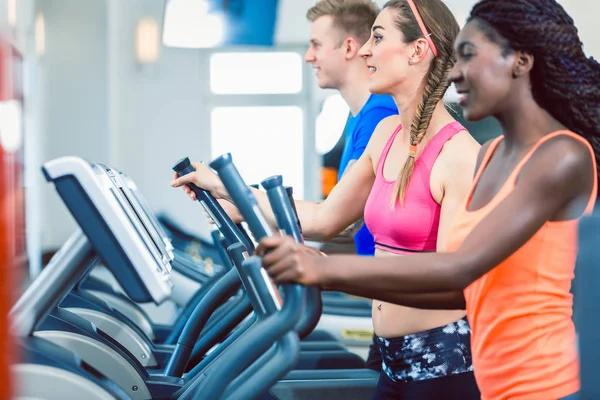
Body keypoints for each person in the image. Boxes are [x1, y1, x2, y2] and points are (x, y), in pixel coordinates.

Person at [252, 1, 600, 399]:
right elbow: (459, 285)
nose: (453, 72)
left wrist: (326, 271)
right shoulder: (491, 156)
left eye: (468, 56)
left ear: (520, 61)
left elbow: (459, 270)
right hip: (490, 381)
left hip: (543, 386)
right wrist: (322, 270)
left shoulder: (561, 158)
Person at [172, 1, 483, 398]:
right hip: (388, 359)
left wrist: (330, 270)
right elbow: (323, 218)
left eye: (379, 37)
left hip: (441, 368)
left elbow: (457, 286)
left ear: (417, 50)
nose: (366, 50)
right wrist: (221, 187)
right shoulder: (385, 134)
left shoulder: (459, 156)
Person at [305, 0, 398, 257]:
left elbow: (339, 220)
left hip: (392, 284)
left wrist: (246, 202)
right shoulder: (358, 115)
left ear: (348, 47)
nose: (308, 56)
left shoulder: (380, 115)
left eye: (316, 45)